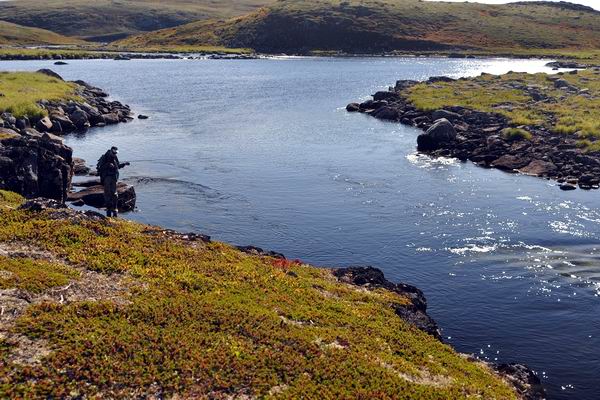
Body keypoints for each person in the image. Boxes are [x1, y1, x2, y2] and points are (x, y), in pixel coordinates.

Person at [97, 146, 130, 217]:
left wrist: (124, 164)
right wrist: (108, 165)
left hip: (114, 178)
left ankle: (115, 208)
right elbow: (100, 167)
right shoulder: (104, 157)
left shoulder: (115, 157)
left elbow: (117, 166)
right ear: (111, 151)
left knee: (114, 194)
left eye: (116, 153)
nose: (115, 154)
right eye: (114, 153)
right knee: (107, 194)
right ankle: (108, 209)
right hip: (107, 178)